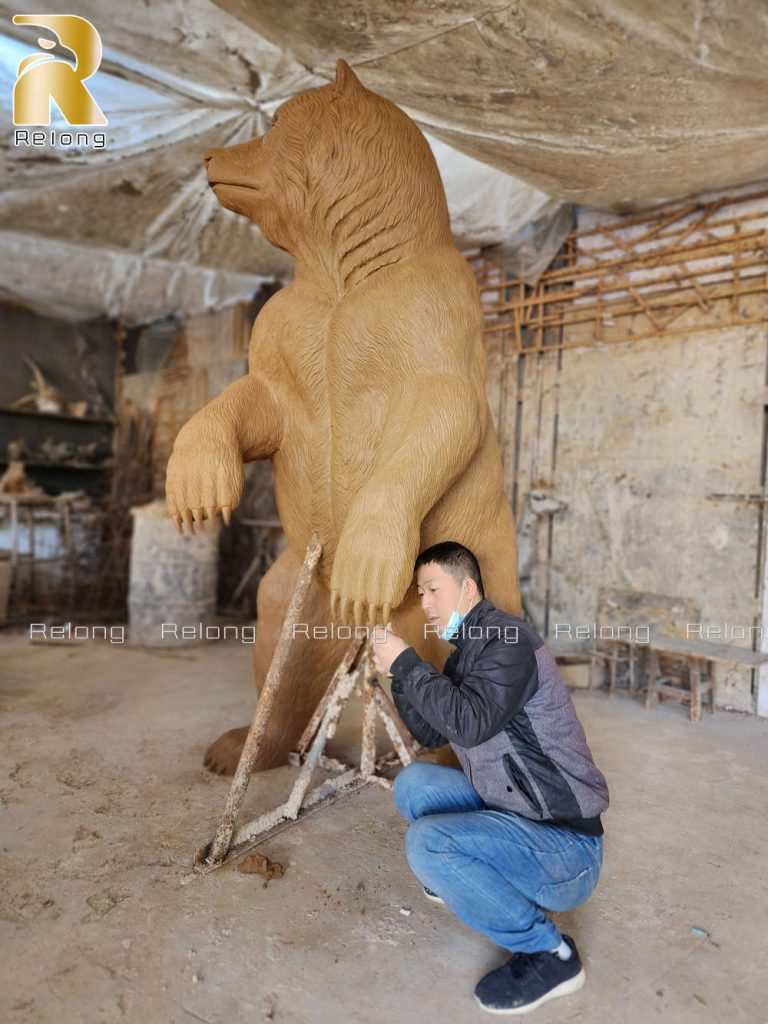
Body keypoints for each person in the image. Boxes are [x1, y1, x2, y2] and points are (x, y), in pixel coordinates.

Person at [371, 541, 609, 1015]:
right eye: (420, 594)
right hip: (515, 815)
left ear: (468, 588)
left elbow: (471, 722)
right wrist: (398, 678)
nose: (425, 603)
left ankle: (550, 954)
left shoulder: (509, 642)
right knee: (414, 783)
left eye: (432, 589)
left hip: (566, 848)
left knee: (428, 844)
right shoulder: (467, 655)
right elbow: (431, 730)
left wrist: (406, 663)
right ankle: (467, 877)